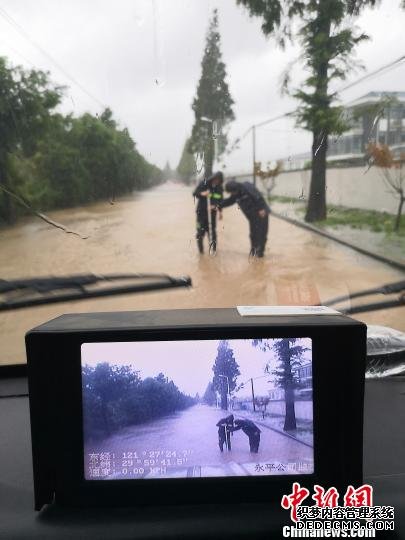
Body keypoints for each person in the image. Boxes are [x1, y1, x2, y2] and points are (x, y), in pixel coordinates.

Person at [220, 180, 270, 257]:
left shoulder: (246, 186)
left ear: (235, 189)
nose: (232, 194)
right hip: (252, 218)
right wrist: (217, 205)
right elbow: (229, 201)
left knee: (261, 234)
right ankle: (254, 251)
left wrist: (261, 208)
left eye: (232, 192)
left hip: (261, 214)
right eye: (231, 193)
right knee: (253, 235)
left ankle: (260, 254)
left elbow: (257, 195)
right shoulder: (236, 194)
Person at [193, 171, 223, 254]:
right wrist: (203, 193)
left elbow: (221, 201)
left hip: (212, 214)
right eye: (216, 179)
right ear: (213, 177)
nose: (216, 181)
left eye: (219, 180)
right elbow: (194, 193)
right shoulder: (204, 183)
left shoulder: (219, 188)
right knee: (200, 233)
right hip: (200, 213)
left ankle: (213, 251)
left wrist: (218, 210)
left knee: (212, 233)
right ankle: (201, 252)